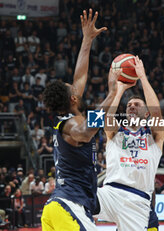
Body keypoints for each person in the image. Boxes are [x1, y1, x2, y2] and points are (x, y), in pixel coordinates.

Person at [41, 9, 116, 231]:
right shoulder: (71, 125)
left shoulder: (67, 116)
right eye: (71, 87)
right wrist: (112, 94)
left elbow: (80, 75)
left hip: (58, 207)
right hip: (68, 206)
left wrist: (87, 39)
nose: (74, 84)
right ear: (73, 98)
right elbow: (86, 131)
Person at [94, 56, 164, 230]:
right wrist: (119, 89)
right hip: (109, 193)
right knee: (72, 201)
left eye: (137, 104)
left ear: (146, 113)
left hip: (137, 200)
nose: (132, 106)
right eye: (129, 105)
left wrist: (142, 77)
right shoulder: (116, 132)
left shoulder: (154, 136)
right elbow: (107, 117)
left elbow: (157, 115)